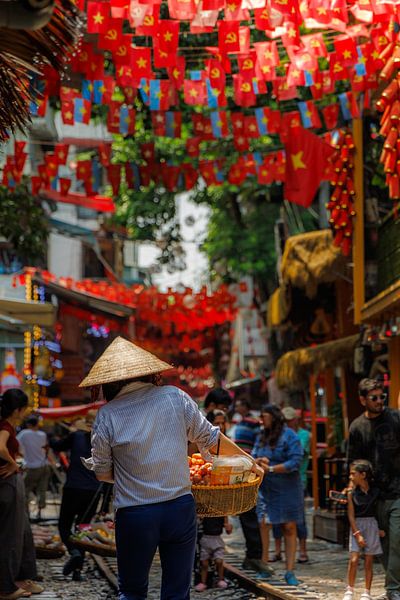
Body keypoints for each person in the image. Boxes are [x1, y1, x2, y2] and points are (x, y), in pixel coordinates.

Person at [84, 336, 263, 600]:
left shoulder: (107, 415)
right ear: (151, 373)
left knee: (132, 592)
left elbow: (101, 472)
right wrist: (251, 462)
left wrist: (132, 474)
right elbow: (212, 440)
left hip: (135, 514)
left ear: (108, 383)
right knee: (177, 592)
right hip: (179, 509)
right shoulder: (174, 397)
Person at [347, 378, 400, 600]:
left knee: (397, 538)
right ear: (362, 400)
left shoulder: (396, 418)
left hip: (398, 489)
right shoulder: (357, 427)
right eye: (374, 398)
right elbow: (354, 461)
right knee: (384, 544)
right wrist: (353, 486)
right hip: (374, 496)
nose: (380, 401)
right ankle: (393, 586)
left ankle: (394, 589)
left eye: (382, 397)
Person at [253, 404, 304, 586]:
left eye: (264, 416)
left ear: (273, 417)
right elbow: (254, 455)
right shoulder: (261, 436)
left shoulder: (289, 435)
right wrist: (258, 461)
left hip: (288, 488)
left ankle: (290, 571)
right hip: (267, 489)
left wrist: (273, 468)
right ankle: (265, 566)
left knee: (289, 527)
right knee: (264, 524)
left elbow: (296, 460)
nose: (261, 420)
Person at [0, 388, 44, 599]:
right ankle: (6, 587)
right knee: (11, 535)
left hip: (9, 484)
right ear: (17, 409)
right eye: (24, 409)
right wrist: (13, 464)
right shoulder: (6, 426)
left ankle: (18, 580)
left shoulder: (9, 425)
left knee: (21, 531)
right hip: (7, 485)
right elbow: (0, 447)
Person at [50, 410, 101, 582]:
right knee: (82, 529)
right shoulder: (102, 441)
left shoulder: (76, 436)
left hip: (74, 487)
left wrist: (50, 439)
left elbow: (58, 446)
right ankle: (77, 571)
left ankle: (74, 552)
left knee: (64, 526)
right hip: (93, 491)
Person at [231, 398, 271, 575]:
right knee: (248, 514)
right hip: (238, 468)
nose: (237, 406)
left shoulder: (252, 423)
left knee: (250, 513)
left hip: (248, 469)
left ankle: (254, 556)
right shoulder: (238, 423)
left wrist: (254, 462)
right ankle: (252, 556)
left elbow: (257, 444)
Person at [270, 406, 310, 564]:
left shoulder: (303, 435)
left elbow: (293, 456)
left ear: (295, 419)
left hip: (297, 479)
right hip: (278, 480)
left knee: (298, 517)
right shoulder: (278, 435)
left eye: (289, 420)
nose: (287, 423)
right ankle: (278, 550)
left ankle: (303, 549)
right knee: (276, 517)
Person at [342, 459, 383, 600]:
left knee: (369, 560)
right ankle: (350, 589)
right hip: (357, 525)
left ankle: (367, 591)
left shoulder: (376, 491)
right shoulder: (352, 493)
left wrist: (380, 528)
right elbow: (351, 515)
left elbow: (379, 511)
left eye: (353, 474)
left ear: (363, 475)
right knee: (354, 558)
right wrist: (357, 533)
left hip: (371, 524)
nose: (351, 477)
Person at [17, 415, 51, 519]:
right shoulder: (42, 434)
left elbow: (15, 444)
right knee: (42, 489)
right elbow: (46, 448)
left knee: (25, 490)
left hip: (32, 466)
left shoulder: (24, 433)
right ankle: (39, 512)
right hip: (44, 465)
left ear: (28, 424)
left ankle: (26, 514)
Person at [195, 515, 233, 592]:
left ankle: (221, 579)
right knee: (204, 563)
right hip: (205, 539)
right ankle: (203, 582)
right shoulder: (205, 513)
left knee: (219, 561)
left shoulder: (222, 515)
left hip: (217, 539)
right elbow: (198, 524)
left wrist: (228, 527)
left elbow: (228, 531)